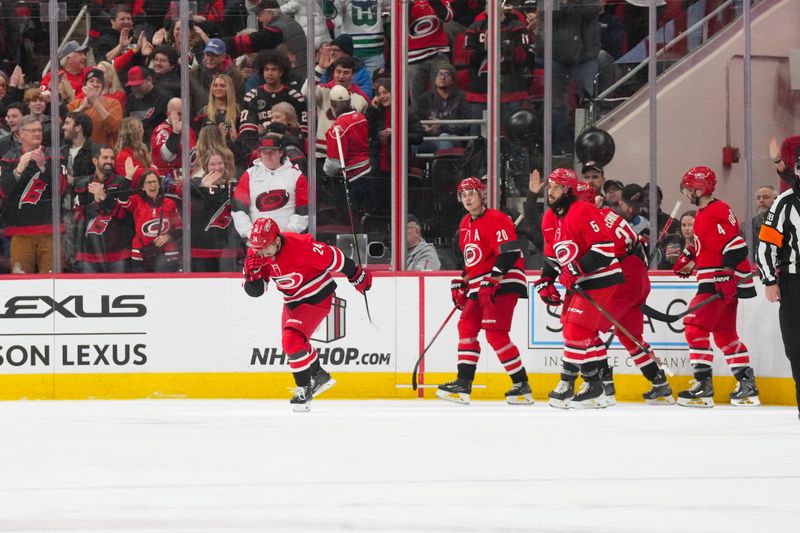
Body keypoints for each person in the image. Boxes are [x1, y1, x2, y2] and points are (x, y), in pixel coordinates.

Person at [242, 217, 372, 411]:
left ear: (277, 240)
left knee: (291, 341)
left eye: (265, 248)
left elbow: (334, 257)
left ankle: (304, 389)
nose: (261, 253)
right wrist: (251, 275)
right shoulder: (258, 252)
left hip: (316, 298)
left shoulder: (302, 246)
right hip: (292, 302)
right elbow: (257, 291)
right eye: (257, 248)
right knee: (294, 344)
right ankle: (319, 375)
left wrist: (355, 274)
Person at [572, 181, 674, 404]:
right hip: (637, 280)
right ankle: (659, 383)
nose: (632, 210)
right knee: (630, 335)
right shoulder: (614, 218)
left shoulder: (601, 217)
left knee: (589, 328)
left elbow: (602, 257)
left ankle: (602, 386)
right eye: (629, 205)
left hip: (626, 280)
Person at [437, 177, 531, 405]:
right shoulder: (464, 224)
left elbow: (510, 252)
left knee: (495, 333)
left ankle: (521, 385)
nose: (468, 198)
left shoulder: (497, 218)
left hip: (504, 280)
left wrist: (494, 279)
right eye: (464, 194)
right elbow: (474, 263)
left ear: (482, 196)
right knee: (466, 325)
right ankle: (463, 383)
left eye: (472, 193)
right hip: (482, 283)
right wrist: (463, 280)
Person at [535, 168, 623, 409]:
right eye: (548, 186)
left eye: (554, 187)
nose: (549, 191)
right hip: (580, 281)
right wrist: (546, 280)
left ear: (567, 190)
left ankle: (567, 384)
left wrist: (573, 270)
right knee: (583, 333)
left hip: (601, 278)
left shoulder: (584, 211)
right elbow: (553, 258)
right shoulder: (550, 218)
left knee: (575, 330)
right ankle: (596, 385)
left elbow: (604, 251)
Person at [673, 165, 759, 407]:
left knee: (693, 327)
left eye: (690, 188)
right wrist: (689, 257)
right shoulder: (704, 214)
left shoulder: (715, 211)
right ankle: (747, 386)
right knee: (725, 335)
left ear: (700, 189)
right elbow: (711, 245)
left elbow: (737, 244)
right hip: (718, 281)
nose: (687, 192)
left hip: (717, 282)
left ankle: (703, 386)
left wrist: (726, 273)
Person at [756, 152, 800, 420]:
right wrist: (770, 280)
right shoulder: (784, 202)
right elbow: (766, 244)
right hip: (794, 281)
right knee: (795, 344)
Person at [0, 115, 65, 274]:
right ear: (21, 134)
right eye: (33, 131)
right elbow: (3, 192)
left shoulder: (54, 155)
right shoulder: (9, 158)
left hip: (50, 229)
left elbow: (62, 188)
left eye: (39, 130)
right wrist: (18, 169)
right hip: (20, 230)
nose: (37, 134)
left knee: (53, 279)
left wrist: (43, 166)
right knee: (21, 280)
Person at [232, 134, 309, 239]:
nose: (268, 156)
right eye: (264, 152)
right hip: (257, 242)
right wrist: (251, 233)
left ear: (281, 152)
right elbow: (238, 210)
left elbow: (304, 209)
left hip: (288, 239)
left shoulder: (296, 175)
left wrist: (290, 231)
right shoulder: (250, 175)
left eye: (272, 152)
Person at [72, 145, 134, 273]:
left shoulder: (122, 183)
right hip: (89, 253)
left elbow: (126, 214)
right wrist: (94, 201)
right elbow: (77, 217)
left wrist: (105, 199)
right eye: (105, 157)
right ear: (95, 161)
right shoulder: (83, 184)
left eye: (112, 158)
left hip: (118, 252)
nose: (109, 161)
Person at [119, 169, 182, 272]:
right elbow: (122, 200)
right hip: (140, 253)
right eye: (148, 182)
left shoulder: (170, 203)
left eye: (154, 182)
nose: (152, 185)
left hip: (166, 254)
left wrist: (168, 236)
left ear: (159, 185)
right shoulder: (137, 201)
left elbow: (180, 228)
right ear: (143, 187)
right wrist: (128, 177)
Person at [190, 150, 241, 272]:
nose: (217, 167)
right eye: (212, 164)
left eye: (220, 163)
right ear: (205, 167)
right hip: (201, 249)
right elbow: (183, 190)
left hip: (227, 247)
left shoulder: (234, 185)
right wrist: (201, 186)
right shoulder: (196, 185)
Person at [67, 68, 123, 147]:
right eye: (91, 81)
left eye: (99, 82)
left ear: (103, 86)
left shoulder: (113, 103)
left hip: (102, 153)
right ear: (85, 85)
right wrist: (83, 107)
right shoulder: (75, 104)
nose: (95, 84)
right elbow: (66, 126)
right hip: (78, 150)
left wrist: (96, 102)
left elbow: (115, 127)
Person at [151, 97, 197, 181]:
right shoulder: (162, 130)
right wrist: (175, 133)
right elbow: (166, 157)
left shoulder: (188, 130)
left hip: (188, 181)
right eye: (179, 114)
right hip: (169, 183)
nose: (182, 117)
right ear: (168, 114)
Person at [125, 66, 171, 141]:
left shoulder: (164, 98)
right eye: (132, 86)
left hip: (156, 142)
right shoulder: (131, 98)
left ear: (149, 80)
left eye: (138, 85)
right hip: (136, 143)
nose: (135, 89)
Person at [114, 117, 152, 192]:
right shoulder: (122, 155)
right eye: (141, 129)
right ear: (135, 134)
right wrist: (153, 170)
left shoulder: (142, 149)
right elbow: (135, 181)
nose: (143, 132)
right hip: (133, 195)